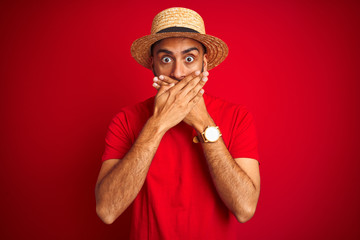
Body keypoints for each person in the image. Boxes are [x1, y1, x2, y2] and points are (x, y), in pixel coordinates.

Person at [95, 7, 260, 239]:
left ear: (205, 63)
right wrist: (159, 123)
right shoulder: (125, 120)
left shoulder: (238, 117)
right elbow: (107, 210)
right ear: (153, 64)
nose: (178, 72)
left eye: (189, 58)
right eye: (166, 59)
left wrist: (203, 123)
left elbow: (244, 209)